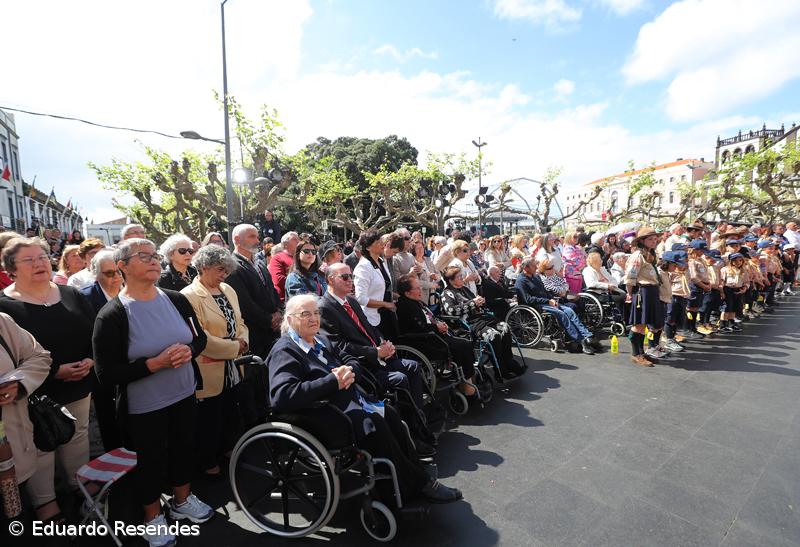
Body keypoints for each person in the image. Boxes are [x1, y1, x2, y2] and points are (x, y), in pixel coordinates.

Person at [269, 294, 462, 505]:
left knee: (390, 413)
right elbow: (282, 396)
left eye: (316, 313)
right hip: (320, 415)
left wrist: (350, 370)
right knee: (376, 424)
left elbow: (349, 358)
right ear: (289, 320)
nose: (314, 318)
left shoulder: (321, 340)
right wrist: (332, 381)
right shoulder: (285, 350)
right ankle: (410, 486)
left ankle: (412, 477)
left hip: (348, 402)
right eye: (306, 314)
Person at [93, 238, 213, 547]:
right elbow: (106, 375)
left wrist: (189, 351)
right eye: (143, 256)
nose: (153, 260)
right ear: (122, 266)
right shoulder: (112, 315)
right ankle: (151, 517)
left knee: (184, 448)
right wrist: (153, 365)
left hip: (184, 393)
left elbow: (199, 339)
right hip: (144, 406)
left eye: (154, 255)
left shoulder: (176, 299)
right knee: (150, 461)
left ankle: (182, 501)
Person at [0, 237, 97, 523]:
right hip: (31, 392)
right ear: (11, 269)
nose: (39, 263)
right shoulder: (5, 308)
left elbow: (94, 333)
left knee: (77, 435)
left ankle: (79, 485)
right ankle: (46, 502)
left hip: (79, 382)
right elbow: (17, 354)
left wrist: (90, 360)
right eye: (28, 260)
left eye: (42, 256)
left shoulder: (71, 294)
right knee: (40, 444)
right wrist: (55, 371)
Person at [320, 263, 428, 415]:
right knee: (400, 378)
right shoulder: (324, 307)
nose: (350, 280)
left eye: (350, 276)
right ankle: (408, 421)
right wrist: (375, 352)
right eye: (344, 277)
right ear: (330, 280)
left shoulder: (351, 301)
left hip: (378, 357)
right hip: (363, 365)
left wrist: (384, 342)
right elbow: (338, 346)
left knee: (414, 366)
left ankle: (419, 414)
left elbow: (370, 328)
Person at [181, 245, 248, 479]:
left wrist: (243, 342)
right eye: (220, 269)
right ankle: (207, 459)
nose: (224, 274)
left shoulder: (228, 289)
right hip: (209, 366)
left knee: (230, 410)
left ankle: (229, 448)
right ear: (203, 267)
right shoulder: (189, 295)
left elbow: (240, 323)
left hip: (232, 364)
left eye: (227, 269)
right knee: (209, 418)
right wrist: (234, 348)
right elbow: (199, 337)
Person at [0, 312, 52, 526]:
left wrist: (18, 382)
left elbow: (39, 356)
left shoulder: (2, 322)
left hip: (11, 461)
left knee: (15, 527)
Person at [396, 274, 477, 396]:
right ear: (407, 293)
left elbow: (429, 319)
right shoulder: (406, 306)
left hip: (433, 335)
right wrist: (437, 327)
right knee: (462, 346)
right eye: (417, 288)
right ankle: (467, 387)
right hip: (424, 341)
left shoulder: (416, 302)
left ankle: (467, 381)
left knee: (465, 343)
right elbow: (419, 328)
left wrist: (439, 324)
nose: (420, 290)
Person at [442, 266, 527, 379]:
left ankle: (510, 363)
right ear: (451, 280)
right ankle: (500, 371)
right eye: (459, 277)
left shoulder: (464, 289)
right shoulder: (447, 293)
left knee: (505, 327)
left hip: (480, 318)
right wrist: (473, 303)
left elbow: (476, 301)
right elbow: (452, 311)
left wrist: (480, 301)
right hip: (466, 324)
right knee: (493, 335)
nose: (462, 278)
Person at [515, 258, 599, 355]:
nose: (536, 267)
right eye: (534, 266)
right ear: (526, 268)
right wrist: (548, 300)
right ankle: (580, 341)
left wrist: (552, 299)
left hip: (546, 302)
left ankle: (587, 335)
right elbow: (528, 299)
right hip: (535, 305)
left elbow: (545, 291)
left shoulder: (536, 277)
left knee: (569, 310)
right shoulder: (521, 281)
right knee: (561, 314)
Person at [224, 224, 281, 358]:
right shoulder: (232, 266)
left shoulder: (259, 263)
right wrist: (269, 320)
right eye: (252, 237)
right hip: (255, 334)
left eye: (257, 237)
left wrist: (278, 312)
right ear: (237, 240)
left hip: (273, 332)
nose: (257, 241)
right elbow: (244, 303)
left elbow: (271, 289)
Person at [623, 227, 666, 366]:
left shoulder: (651, 254)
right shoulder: (637, 255)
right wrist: (630, 294)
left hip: (652, 291)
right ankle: (636, 354)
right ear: (642, 241)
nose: (654, 241)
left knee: (648, 324)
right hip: (642, 292)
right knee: (639, 325)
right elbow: (630, 277)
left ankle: (642, 353)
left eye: (655, 239)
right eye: (650, 239)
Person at [353, 231, 398, 342]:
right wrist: (384, 304)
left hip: (387, 314)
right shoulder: (363, 267)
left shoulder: (381, 261)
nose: (382, 245)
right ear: (368, 248)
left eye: (382, 241)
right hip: (373, 319)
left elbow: (381, 286)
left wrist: (391, 295)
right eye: (378, 243)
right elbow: (360, 298)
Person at [268, 231, 300, 302]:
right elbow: (278, 279)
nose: (298, 241)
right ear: (285, 244)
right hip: (285, 300)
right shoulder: (277, 258)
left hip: (302, 298)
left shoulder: (300, 258)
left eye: (298, 239)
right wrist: (301, 282)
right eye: (294, 239)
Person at [412, 239, 440, 305]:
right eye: (418, 248)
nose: (420, 250)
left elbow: (438, 274)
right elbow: (415, 281)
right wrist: (431, 285)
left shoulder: (428, 260)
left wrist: (435, 277)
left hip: (432, 296)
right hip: (421, 296)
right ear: (413, 250)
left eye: (421, 248)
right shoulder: (412, 262)